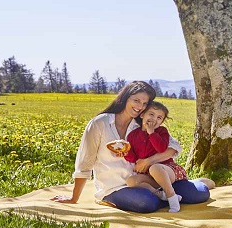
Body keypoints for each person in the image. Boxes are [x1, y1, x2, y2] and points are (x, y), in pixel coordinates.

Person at [51, 81, 212, 213]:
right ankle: (169, 196)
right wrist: (74, 198)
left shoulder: (141, 124)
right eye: (136, 100)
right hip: (115, 188)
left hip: (151, 179)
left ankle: (176, 190)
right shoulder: (100, 123)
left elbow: (173, 146)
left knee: (198, 194)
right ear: (125, 97)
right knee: (146, 203)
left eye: (144, 103)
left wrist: (149, 161)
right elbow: (84, 162)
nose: (140, 106)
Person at [123, 101, 187, 212]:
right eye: (151, 114)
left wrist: (151, 132)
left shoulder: (162, 131)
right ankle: (161, 195)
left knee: (155, 167)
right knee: (131, 181)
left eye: (159, 118)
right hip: (150, 176)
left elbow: (161, 148)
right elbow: (133, 158)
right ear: (142, 115)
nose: (154, 119)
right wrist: (125, 152)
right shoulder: (133, 135)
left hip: (166, 170)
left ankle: (171, 195)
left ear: (162, 122)